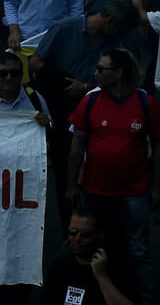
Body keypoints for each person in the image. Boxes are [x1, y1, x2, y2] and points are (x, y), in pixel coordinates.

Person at [67, 48, 160, 304]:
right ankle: (93, 296)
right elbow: (77, 146)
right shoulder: (91, 101)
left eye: (101, 69)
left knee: (138, 250)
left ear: (118, 73)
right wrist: (71, 185)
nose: (95, 74)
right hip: (95, 190)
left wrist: (156, 187)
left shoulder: (145, 103)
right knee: (91, 247)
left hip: (135, 192)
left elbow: (158, 146)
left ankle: (147, 300)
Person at [41, 208, 138, 305]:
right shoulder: (59, 268)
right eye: (73, 232)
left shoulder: (117, 269)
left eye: (85, 234)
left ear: (100, 235)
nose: (77, 239)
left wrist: (102, 276)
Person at [0, 50, 51, 124]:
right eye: (3, 74)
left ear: (21, 76)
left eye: (14, 73)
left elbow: (51, 126)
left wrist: (46, 122)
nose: (9, 78)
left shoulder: (34, 97)